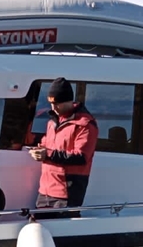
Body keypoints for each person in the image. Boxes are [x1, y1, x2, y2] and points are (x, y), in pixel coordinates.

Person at [27, 77, 99, 212]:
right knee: (39, 229)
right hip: (45, 190)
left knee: (61, 229)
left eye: (57, 103)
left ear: (68, 101)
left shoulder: (85, 124)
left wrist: (47, 154)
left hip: (67, 193)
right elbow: (46, 145)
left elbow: (81, 157)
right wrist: (38, 150)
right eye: (50, 103)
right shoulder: (52, 123)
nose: (53, 107)